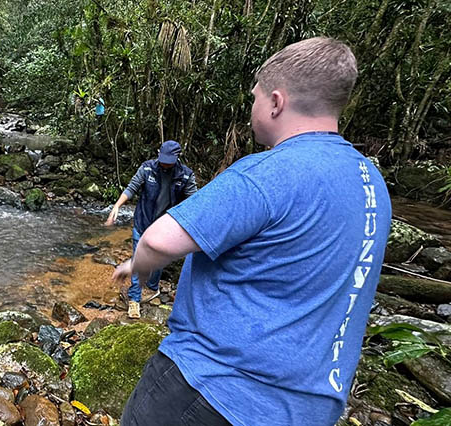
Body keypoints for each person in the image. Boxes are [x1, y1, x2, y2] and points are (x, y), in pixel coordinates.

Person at [113, 37, 391, 426]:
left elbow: (158, 239)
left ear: (276, 102)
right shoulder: (370, 182)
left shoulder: (267, 172)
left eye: (254, 98)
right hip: (311, 407)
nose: (252, 108)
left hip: (213, 390)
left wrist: (137, 264)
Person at [105, 139, 197, 319]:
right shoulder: (147, 168)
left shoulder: (185, 176)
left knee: (159, 260)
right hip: (143, 222)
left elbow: (195, 201)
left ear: (178, 158)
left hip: (165, 228)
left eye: (169, 161)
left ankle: (153, 288)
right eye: (162, 159)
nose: (164, 164)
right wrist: (116, 206)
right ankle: (134, 299)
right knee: (139, 258)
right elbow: (131, 188)